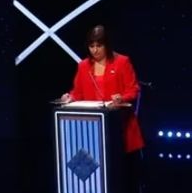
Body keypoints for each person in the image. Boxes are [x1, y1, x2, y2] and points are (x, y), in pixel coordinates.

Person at [60, 24, 144, 153]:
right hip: (92, 127)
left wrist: (121, 98)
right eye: (91, 46)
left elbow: (133, 90)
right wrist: (70, 97)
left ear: (107, 45)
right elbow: (78, 92)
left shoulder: (122, 62)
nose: (95, 50)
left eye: (99, 46)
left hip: (119, 125)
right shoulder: (83, 66)